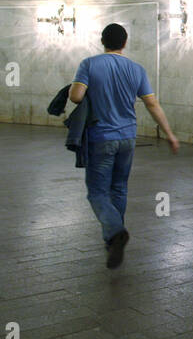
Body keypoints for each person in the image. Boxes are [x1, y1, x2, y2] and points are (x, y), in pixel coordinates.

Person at [69, 23, 178, 268]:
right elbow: (152, 104)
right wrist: (169, 133)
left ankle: (115, 231)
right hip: (128, 138)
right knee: (118, 188)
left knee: (97, 192)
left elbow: (75, 97)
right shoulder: (136, 69)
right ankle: (113, 239)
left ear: (102, 40)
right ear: (125, 43)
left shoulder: (89, 64)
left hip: (100, 137)